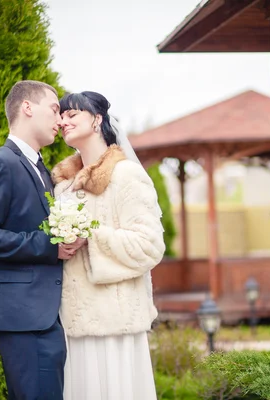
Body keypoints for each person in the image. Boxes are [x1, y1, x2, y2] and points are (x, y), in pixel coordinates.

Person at [0, 80, 82, 399]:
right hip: (24, 319)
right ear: (27, 108)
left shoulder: (41, 169)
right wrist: (49, 247)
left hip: (43, 316)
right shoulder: (0, 164)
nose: (61, 120)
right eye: (55, 109)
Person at [51, 91, 165, 400]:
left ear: (98, 119)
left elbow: (150, 245)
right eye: (61, 115)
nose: (63, 121)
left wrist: (91, 236)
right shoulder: (63, 187)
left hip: (116, 325)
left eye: (72, 114)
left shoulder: (126, 175)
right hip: (72, 323)